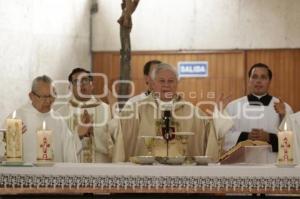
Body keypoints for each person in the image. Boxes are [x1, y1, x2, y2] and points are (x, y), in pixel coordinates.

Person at [119, 63, 232, 162]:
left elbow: (211, 133)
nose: (166, 85)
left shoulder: (193, 112)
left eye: (171, 81)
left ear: (177, 84)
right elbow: (118, 132)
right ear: (153, 84)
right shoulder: (136, 110)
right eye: (162, 81)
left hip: (183, 174)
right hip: (146, 174)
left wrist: (218, 115)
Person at [0, 75, 80, 163]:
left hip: (54, 175)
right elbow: (2, 154)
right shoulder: (15, 119)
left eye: (52, 96)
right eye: (45, 97)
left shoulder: (58, 120)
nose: (49, 101)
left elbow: (70, 153)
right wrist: (12, 139)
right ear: (31, 96)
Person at [57, 68, 124, 163]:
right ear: (70, 87)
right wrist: (78, 134)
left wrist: (114, 111)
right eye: (76, 81)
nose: (82, 84)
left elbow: (118, 139)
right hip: (72, 169)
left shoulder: (107, 110)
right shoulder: (61, 114)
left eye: (85, 80)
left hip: (100, 168)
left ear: (92, 85)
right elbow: (59, 146)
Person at [224, 63, 293, 153]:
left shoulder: (284, 108)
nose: (258, 81)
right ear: (249, 80)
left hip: (272, 163)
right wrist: (246, 136)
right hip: (241, 163)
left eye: (263, 77)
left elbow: (292, 138)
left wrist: (269, 137)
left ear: (269, 81)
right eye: (254, 77)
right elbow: (224, 137)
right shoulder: (233, 107)